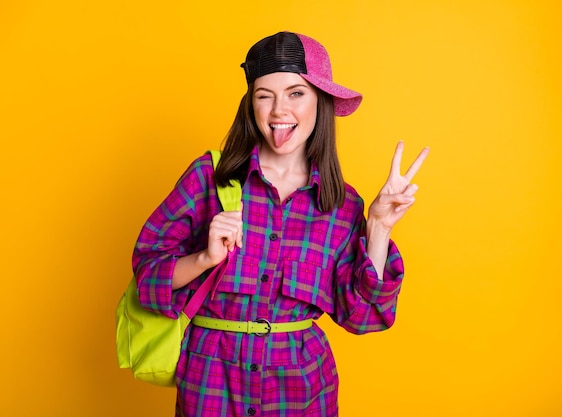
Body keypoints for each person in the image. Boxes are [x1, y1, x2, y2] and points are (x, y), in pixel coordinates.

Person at [132, 31, 429, 417]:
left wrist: (379, 226)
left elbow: (364, 316)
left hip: (302, 389)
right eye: (264, 95)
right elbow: (147, 275)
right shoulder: (210, 176)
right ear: (250, 105)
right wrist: (204, 259)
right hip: (210, 382)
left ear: (320, 102)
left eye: (295, 93)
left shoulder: (341, 203)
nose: (277, 110)